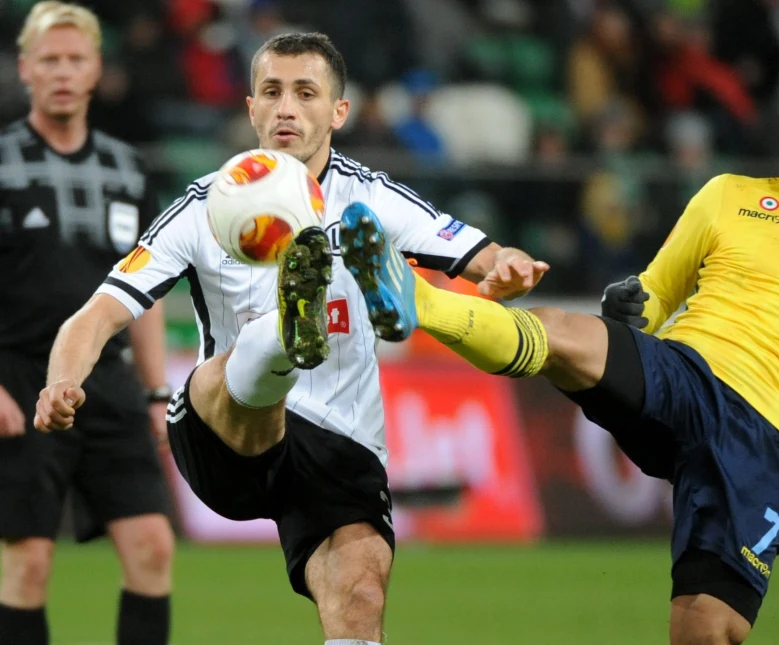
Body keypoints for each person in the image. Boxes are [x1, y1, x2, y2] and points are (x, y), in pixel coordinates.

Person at [338, 48, 779, 644]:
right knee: (564, 333)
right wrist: (626, 306)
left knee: (703, 627)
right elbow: (653, 295)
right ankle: (412, 296)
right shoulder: (728, 197)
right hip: (684, 373)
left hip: (760, 441)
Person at [33, 32, 546, 645]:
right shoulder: (202, 207)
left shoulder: (370, 199)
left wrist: (510, 268)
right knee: (234, 368)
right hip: (226, 437)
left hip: (343, 442)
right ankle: (283, 331)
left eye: (306, 93)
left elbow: (489, 256)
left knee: (359, 598)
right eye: (272, 92)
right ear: (250, 108)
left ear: (338, 112)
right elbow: (96, 316)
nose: (286, 108)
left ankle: (287, 324)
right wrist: (60, 381)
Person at [0, 3, 174, 645]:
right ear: (26, 70)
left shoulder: (128, 169)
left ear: (97, 69)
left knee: (154, 547)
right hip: (18, 382)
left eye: (76, 59)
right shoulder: (2, 163)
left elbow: (145, 292)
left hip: (111, 383)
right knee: (29, 563)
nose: (64, 72)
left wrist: (157, 393)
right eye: (50, 60)